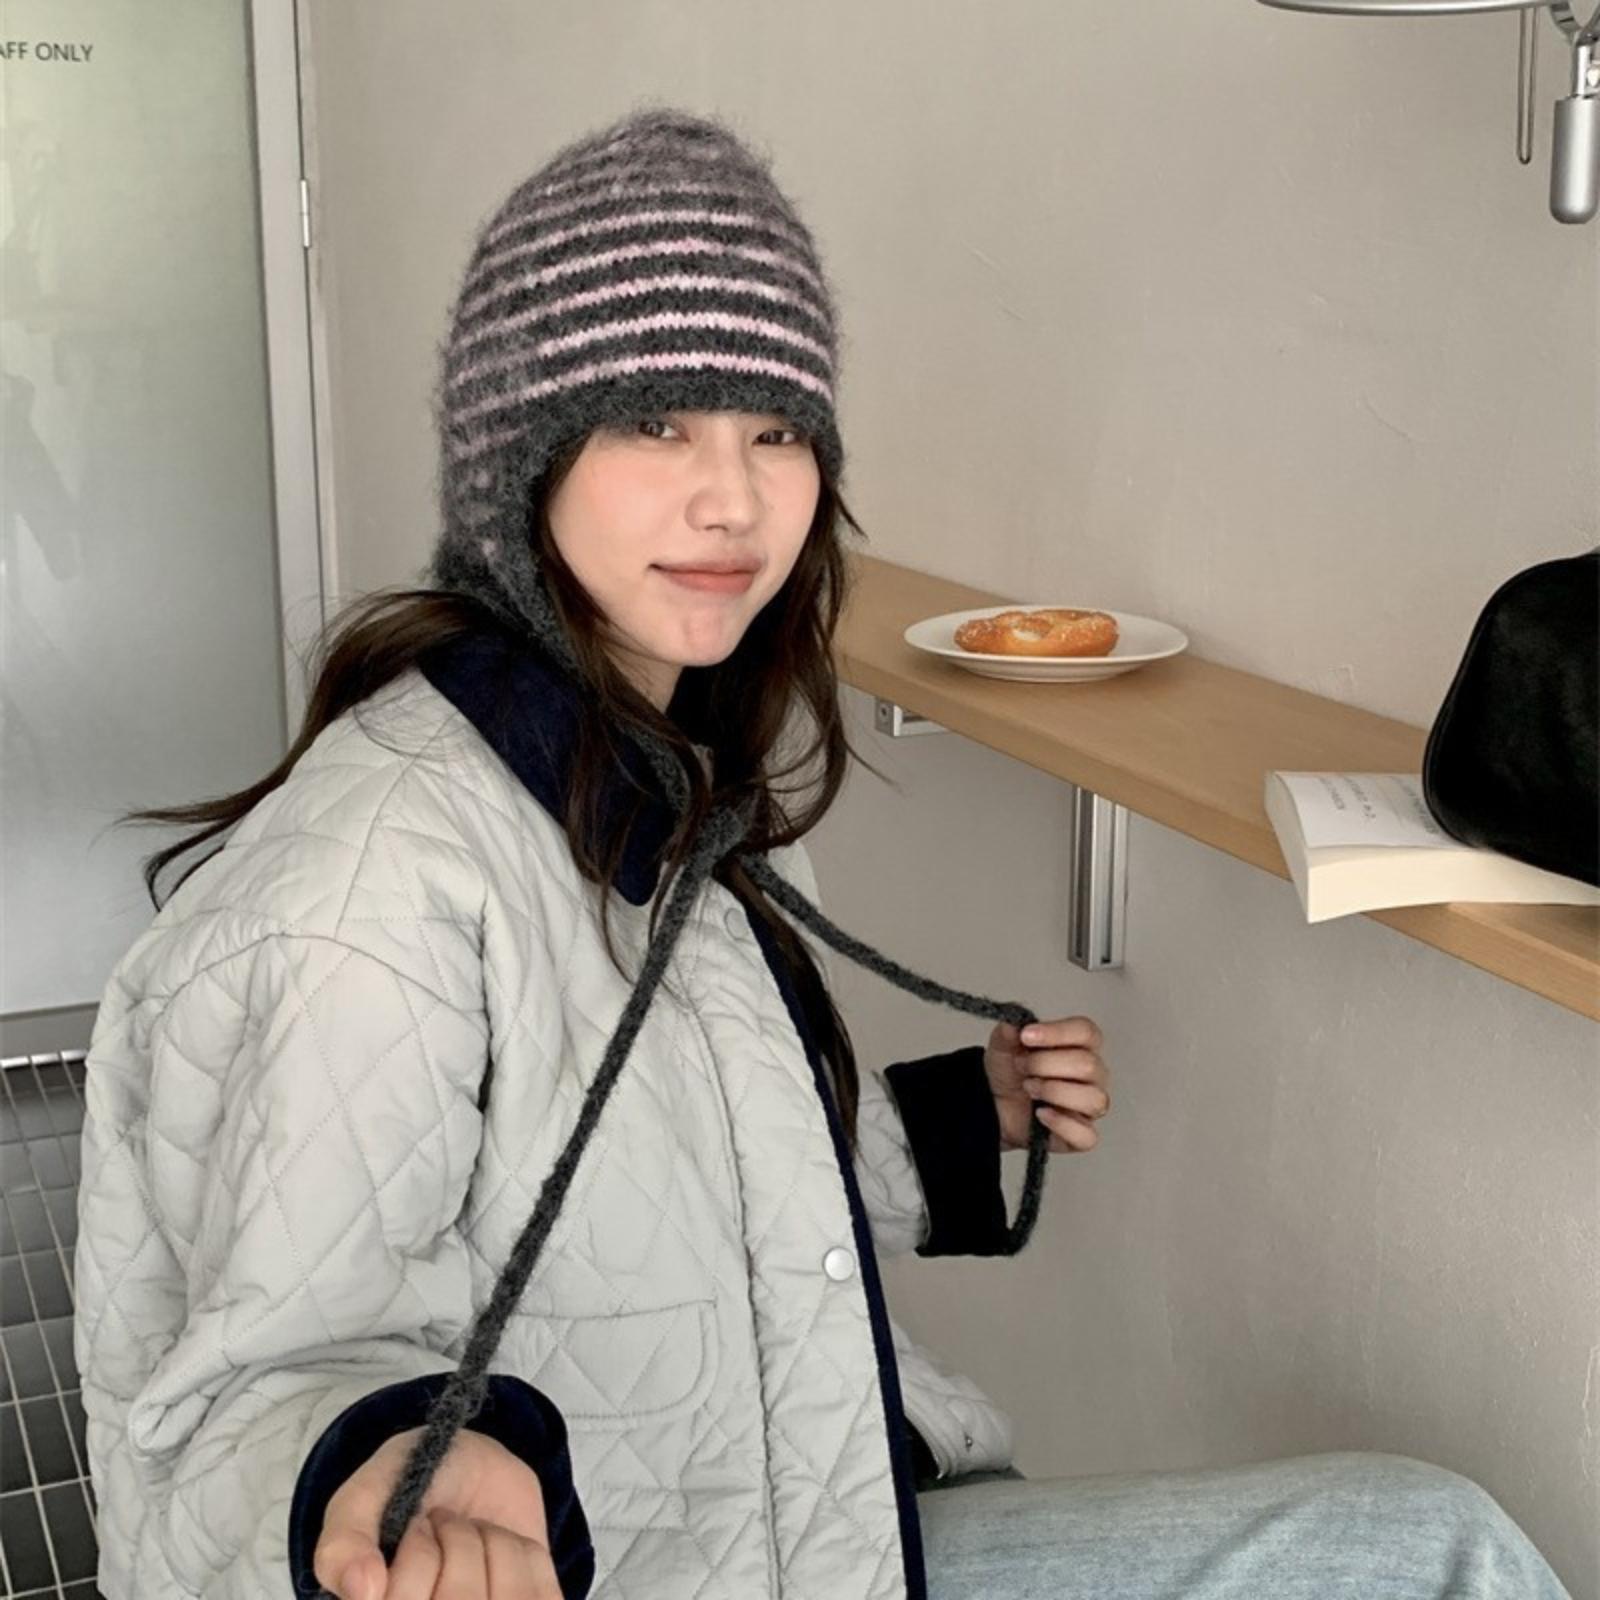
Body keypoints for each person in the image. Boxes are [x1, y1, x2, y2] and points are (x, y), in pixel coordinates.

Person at [73, 103, 1572, 1600]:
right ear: (516, 458)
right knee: (1437, 1556)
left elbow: (689, 1195)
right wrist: (380, 1467)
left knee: (1428, 1540)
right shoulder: (363, 894)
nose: (734, 498)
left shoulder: (666, 788)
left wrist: (955, 1124)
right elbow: (238, 1393)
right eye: (656, 419)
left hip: (815, 1524)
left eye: (776, 430)